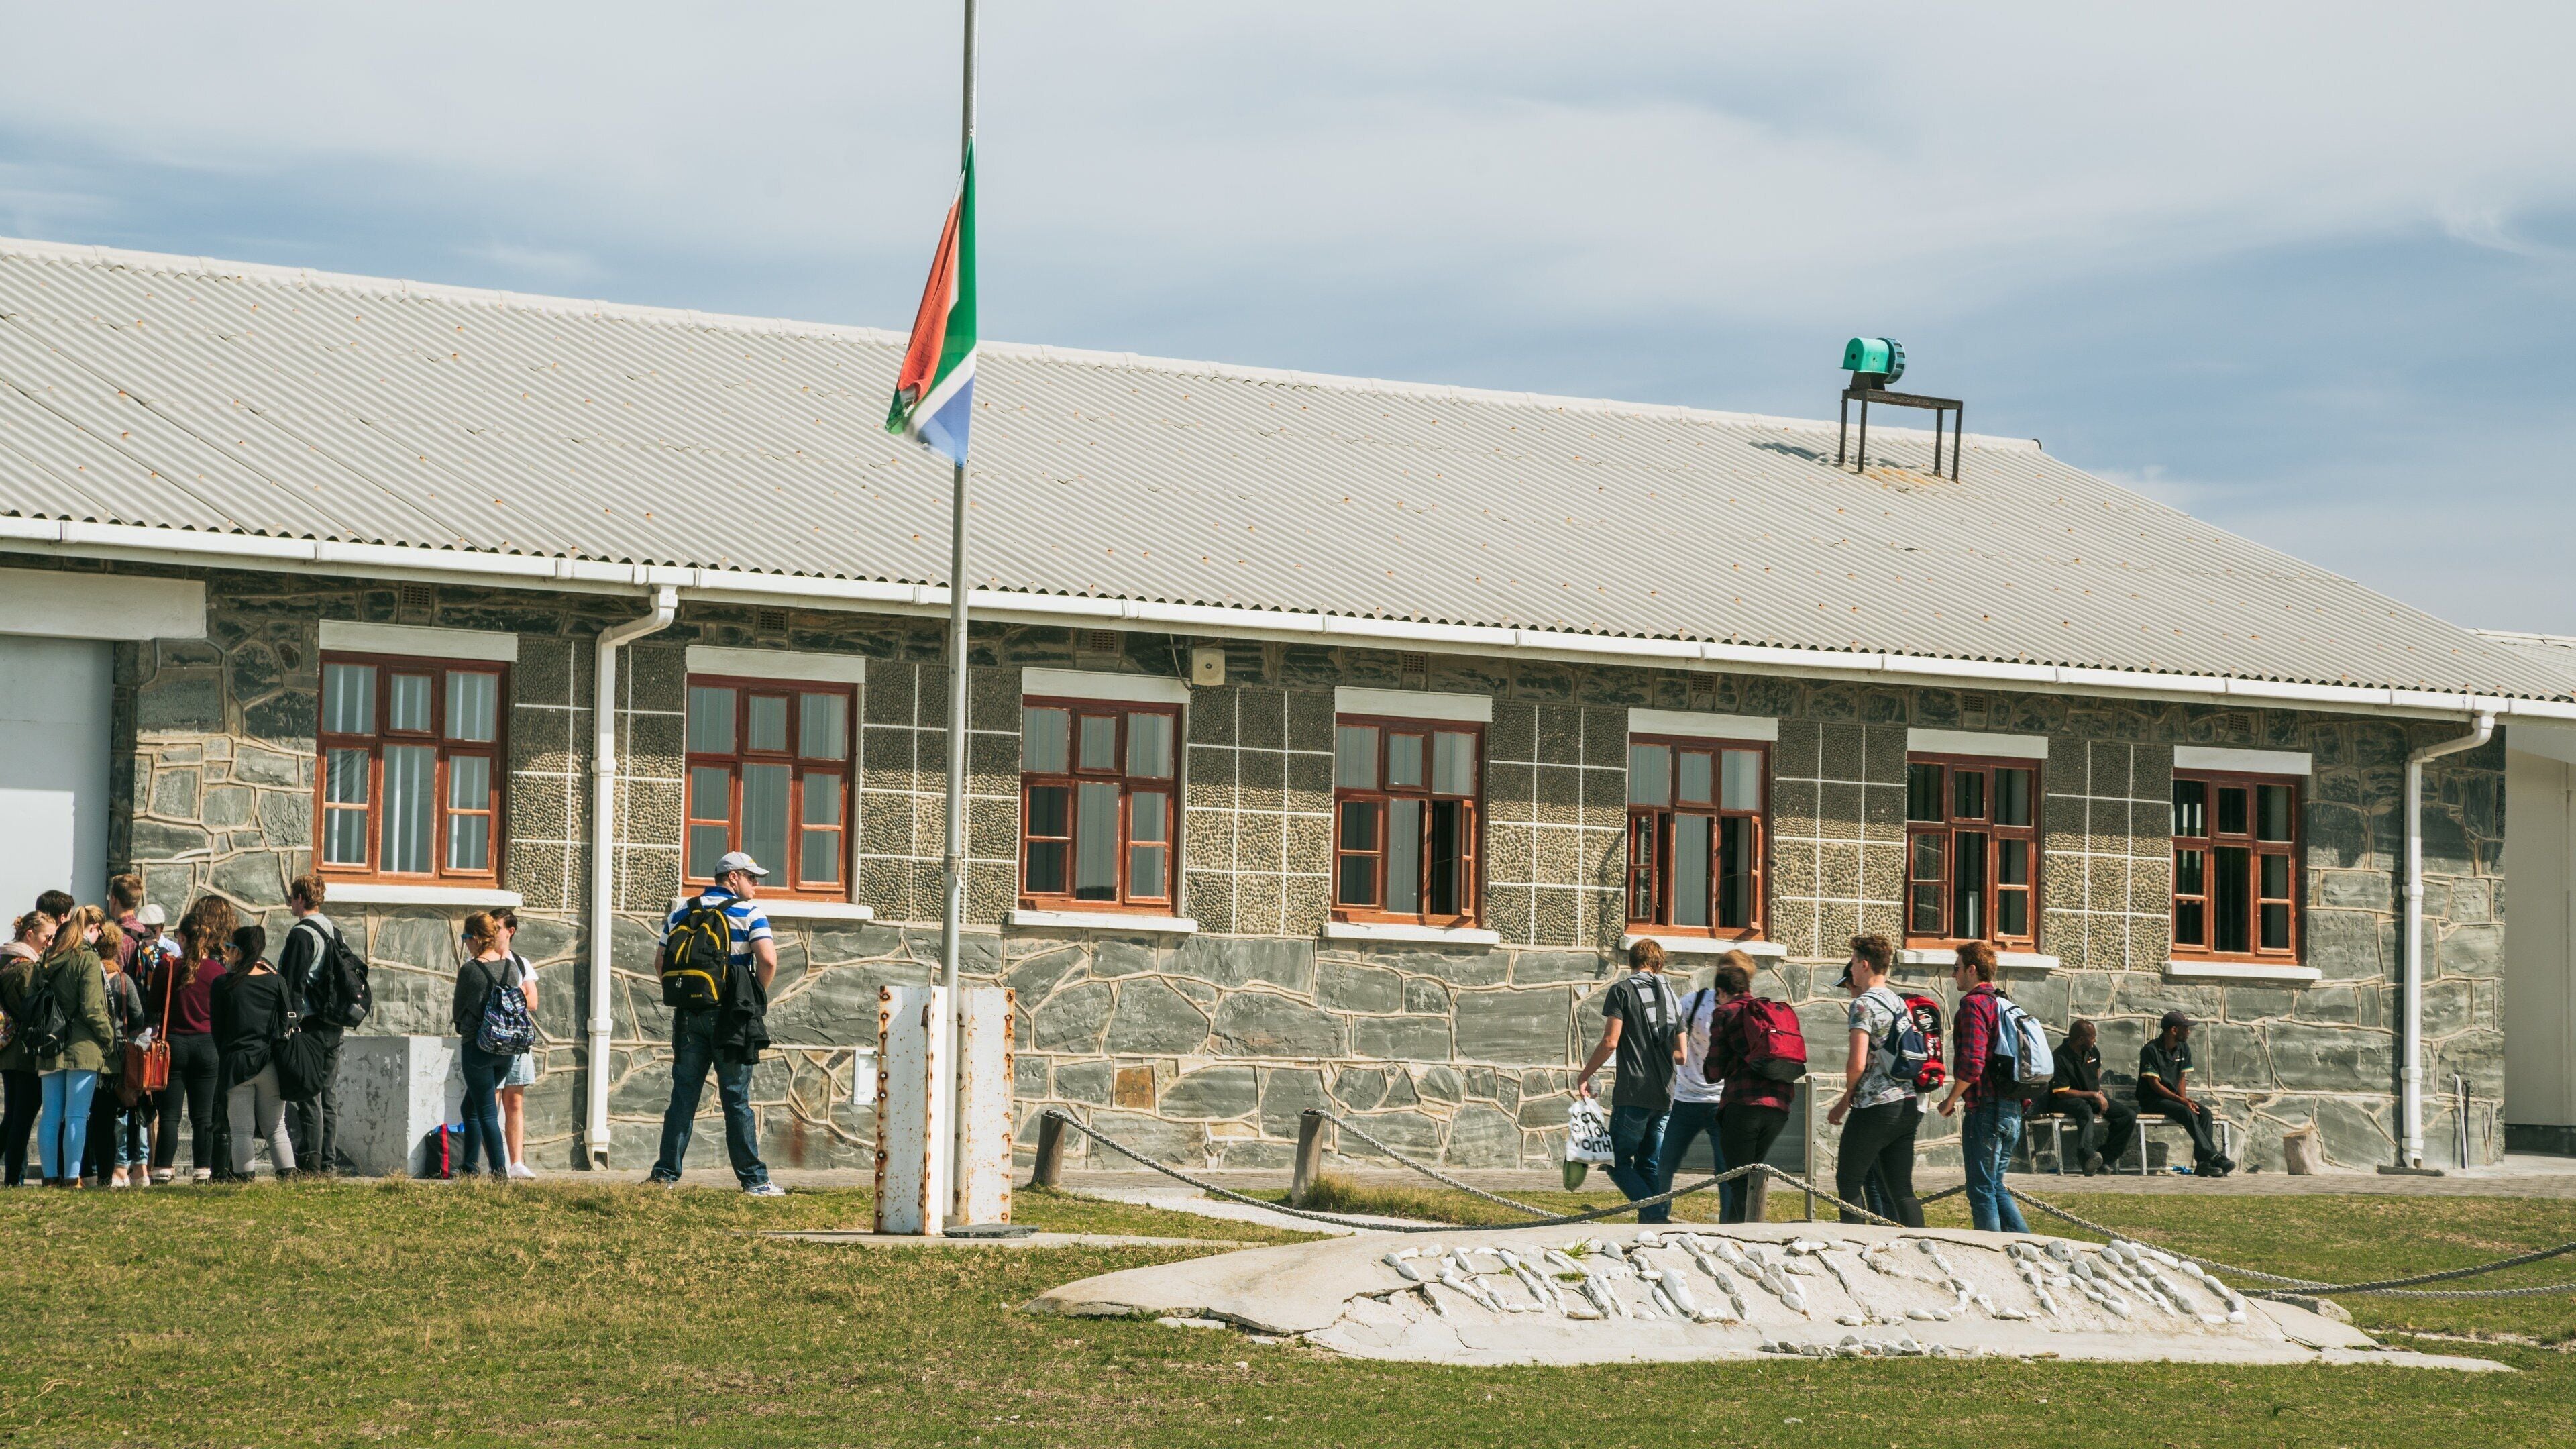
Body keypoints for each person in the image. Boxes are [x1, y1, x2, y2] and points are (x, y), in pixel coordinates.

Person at [650, 852, 784, 1195]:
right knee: (736, 1098)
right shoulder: (749, 912)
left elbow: (661, 962)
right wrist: (754, 997)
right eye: (752, 878)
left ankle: (664, 1176)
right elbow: (767, 959)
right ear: (733, 877)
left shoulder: (682, 910)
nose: (756, 885)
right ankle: (754, 1181)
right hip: (731, 1017)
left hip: (688, 1016)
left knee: (683, 1096)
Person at [1575, 938, 1682, 1224]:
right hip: (1665, 1093)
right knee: (1649, 1163)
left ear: (1631, 963)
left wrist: (1586, 1074)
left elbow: (1610, 1042)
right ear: (1658, 964)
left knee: (1616, 1160)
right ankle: (1653, 1225)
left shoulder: (1622, 991)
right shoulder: (1674, 997)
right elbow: (1682, 1054)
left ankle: (1655, 1215)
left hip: (1634, 1091)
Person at [1825, 933, 1925, 1227]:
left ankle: (1855, 1248)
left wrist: (1844, 1102)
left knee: (1848, 1181)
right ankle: (1924, 1248)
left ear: (1865, 965)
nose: (1851, 968)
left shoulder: (1863, 1005)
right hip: (1907, 1103)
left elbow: (1856, 1063)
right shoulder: (1898, 1001)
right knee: (1902, 1190)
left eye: (1854, 962)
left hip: (1876, 1106)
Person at [1937, 941, 2031, 1232]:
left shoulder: (1974, 1004)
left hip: (1988, 1110)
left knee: (1981, 1191)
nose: (1953, 975)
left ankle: (1991, 1255)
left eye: (1956, 968)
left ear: (1972, 970)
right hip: (2012, 1109)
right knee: (1994, 1186)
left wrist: (1951, 1099)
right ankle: (2027, 1246)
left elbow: (1973, 1063)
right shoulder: (2005, 1003)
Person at [1652, 949, 1745, 1216]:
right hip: (1685, 1098)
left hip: (1724, 1102)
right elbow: (1667, 1035)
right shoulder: (1693, 1003)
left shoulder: (1744, 1009)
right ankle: (1655, 1219)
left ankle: (1730, 1229)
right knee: (1664, 1163)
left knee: (1726, 1170)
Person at [1705, 959, 1797, 1222]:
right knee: (1749, 1179)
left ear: (1721, 992)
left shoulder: (1725, 1012)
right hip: (1780, 1107)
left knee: (1738, 1181)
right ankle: (1737, 1237)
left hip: (1744, 1105)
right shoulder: (1768, 1012)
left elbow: (1714, 1070)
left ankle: (1753, 1238)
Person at [148, 906, 230, 1183]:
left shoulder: (168, 967)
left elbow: (154, 1006)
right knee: (203, 1115)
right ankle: (202, 1169)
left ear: (181, 938)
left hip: (174, 1045)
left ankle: (162, 1167)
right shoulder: (218, 971)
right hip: (208, 1045)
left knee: (169, 1114)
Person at [33, 905, 114, 1187]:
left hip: (49, 1044)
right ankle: (71, 1178)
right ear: (93, 929)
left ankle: (50, 1177)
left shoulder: (47, 957)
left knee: (51, 1114)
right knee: (77, 1114)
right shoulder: (88, 960)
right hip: (83, 1046)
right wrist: (109, 1038)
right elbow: (93, 1008)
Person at [209, 924, 296, 1180]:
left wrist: (227, 1054)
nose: (227, 954)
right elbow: (285, 1022)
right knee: (277, 1128)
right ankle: (288, 1178)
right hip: (270, 1064)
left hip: (237, 1064)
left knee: (241, 1131)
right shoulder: (276, 981)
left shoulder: (223, 984)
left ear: (238, 951)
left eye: (230, 948)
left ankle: (245, 1180)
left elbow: (217, 1031)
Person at [276, 875, 345, 1176]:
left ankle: (311, 1161)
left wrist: (285, 1021)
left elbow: (291, 983)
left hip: (311, 1024)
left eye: (293, 897)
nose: (291, 903)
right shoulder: (334, 931)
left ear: (301, 898)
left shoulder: (301, 935)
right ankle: (328, 1160)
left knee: (309, 1093)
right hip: (335, 1023)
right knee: (328, 1094)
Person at [449, 912, 523, 1180]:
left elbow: (459, 1012)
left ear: (478, 938)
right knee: (470, 1108)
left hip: (478, 1049)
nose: (465, 943)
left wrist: (466, 1028)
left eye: (466, 937)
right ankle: (470, 1166)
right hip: (506, 1050)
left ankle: (499, 1172)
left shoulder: (470, 970)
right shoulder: (511, 968)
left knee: (488, 1113)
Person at [83, 919, 144, 1187]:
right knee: (113, 1118)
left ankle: (90, 1171)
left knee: (92, 1115)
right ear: (118, 949)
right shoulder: (123, 979)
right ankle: (112, 1173)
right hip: (117, 1056)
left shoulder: (89, 975)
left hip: (91, 1053)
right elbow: (138, 1016)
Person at [2139, 1010, 2234, 1176]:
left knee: (2204, 1113)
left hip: (2173, 1100)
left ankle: (2203, 1164)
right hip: (2153, 1100)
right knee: (2185, 1111)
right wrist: (2182, 1102)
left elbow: (2182, 1077)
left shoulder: (2183, 1048)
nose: (2189, 1032)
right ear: (2174, 1030)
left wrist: (2184, 1099)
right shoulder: (2150, 1050)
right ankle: (2213, 1156)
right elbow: (2154, 1085)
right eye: (2186, 1028)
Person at [0, 911, 57, 1185]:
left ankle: (13, 1177)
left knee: (13, 1116)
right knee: (20, 1119)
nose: (50, 942)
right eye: (47, 936)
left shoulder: (6, 959)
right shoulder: (25, 967)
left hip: (10, 1050)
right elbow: (32, 1008)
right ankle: (12, 1178)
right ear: (30, 934)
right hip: (23, 1052)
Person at [490, 908, 542, 1180]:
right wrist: (518, 992)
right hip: (492, 1041)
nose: (492, 932)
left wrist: (511, 994)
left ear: (510, 931)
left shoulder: (521, 963)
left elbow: (533, 1002)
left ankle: (516, 1163)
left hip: (518, 1041)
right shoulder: (481, 960)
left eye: (496, 927)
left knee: (515, 1102)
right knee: (492, 1101)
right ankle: (495, 1165)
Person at [2049, 1018, 2138, 1175]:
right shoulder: (2060, 1057)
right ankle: (2086, 1155)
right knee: (2084, 1110)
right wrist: (2094, 1095)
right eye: (2093, 1037)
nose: (2095, 1040)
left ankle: (2104, 1159)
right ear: (2081, 1039)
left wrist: (2098, 1090)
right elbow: (2062, 1092)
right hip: (2065, 1100)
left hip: (2092, 1097)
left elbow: (2097, 1071)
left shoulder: (2092, 1050)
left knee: (2128, 1116)